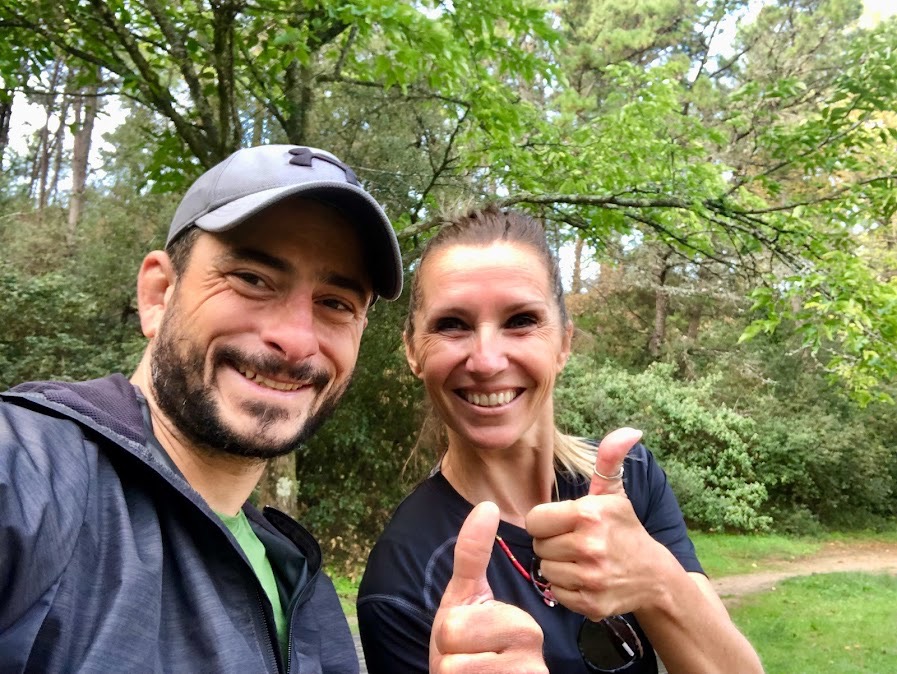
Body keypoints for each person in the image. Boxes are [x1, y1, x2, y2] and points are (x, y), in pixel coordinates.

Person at [0, 144, 405, 673]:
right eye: (253, 279)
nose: (296, 341)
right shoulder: (30, 476)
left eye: (335, 304)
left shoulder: (303, 587)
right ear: (159, 294)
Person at [357, 204, 765, 673]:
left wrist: (657, 580)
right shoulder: (403, 578)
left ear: (564, 343)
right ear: (413, 350)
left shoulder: (630, 479)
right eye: (452, 324)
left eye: (520, 320)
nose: (487, 361)